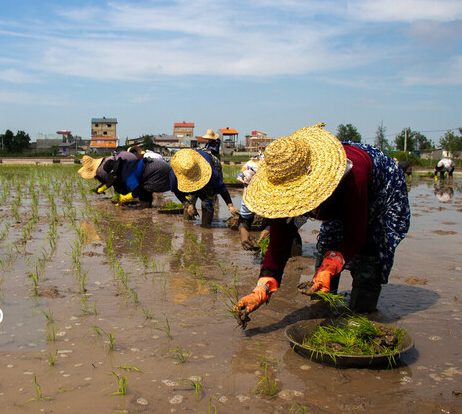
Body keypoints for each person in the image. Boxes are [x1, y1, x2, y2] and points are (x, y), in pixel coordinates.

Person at [234, 123, 411, 327]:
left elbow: (355, 234)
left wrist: (332, 264)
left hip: (377, 190)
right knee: (327, 246)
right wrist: (263, 287)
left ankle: (363, 312)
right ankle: (321, 306)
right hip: (337, 196)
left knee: (368, 253)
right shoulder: (283, 179)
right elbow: (279, 240)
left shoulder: (353, 176)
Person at [170, 148, 238, 227]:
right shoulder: (175, 172)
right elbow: (176, 191)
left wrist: (230, 206)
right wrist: (187, 204)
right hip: (191, 166)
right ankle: (188, 223)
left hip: (212, 163)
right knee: (191, 200)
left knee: (208, 201)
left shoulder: (211, 173)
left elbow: (222, 188)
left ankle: (206, 226)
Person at [102, 156, 172, 208]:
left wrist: (126, 198)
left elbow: (137, 190)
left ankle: (146, 207)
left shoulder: (126, 174)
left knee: (144, 188)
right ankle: (148, 206)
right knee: (144, 186)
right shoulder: (125, 165)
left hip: (156, 169)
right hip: (158, 164)